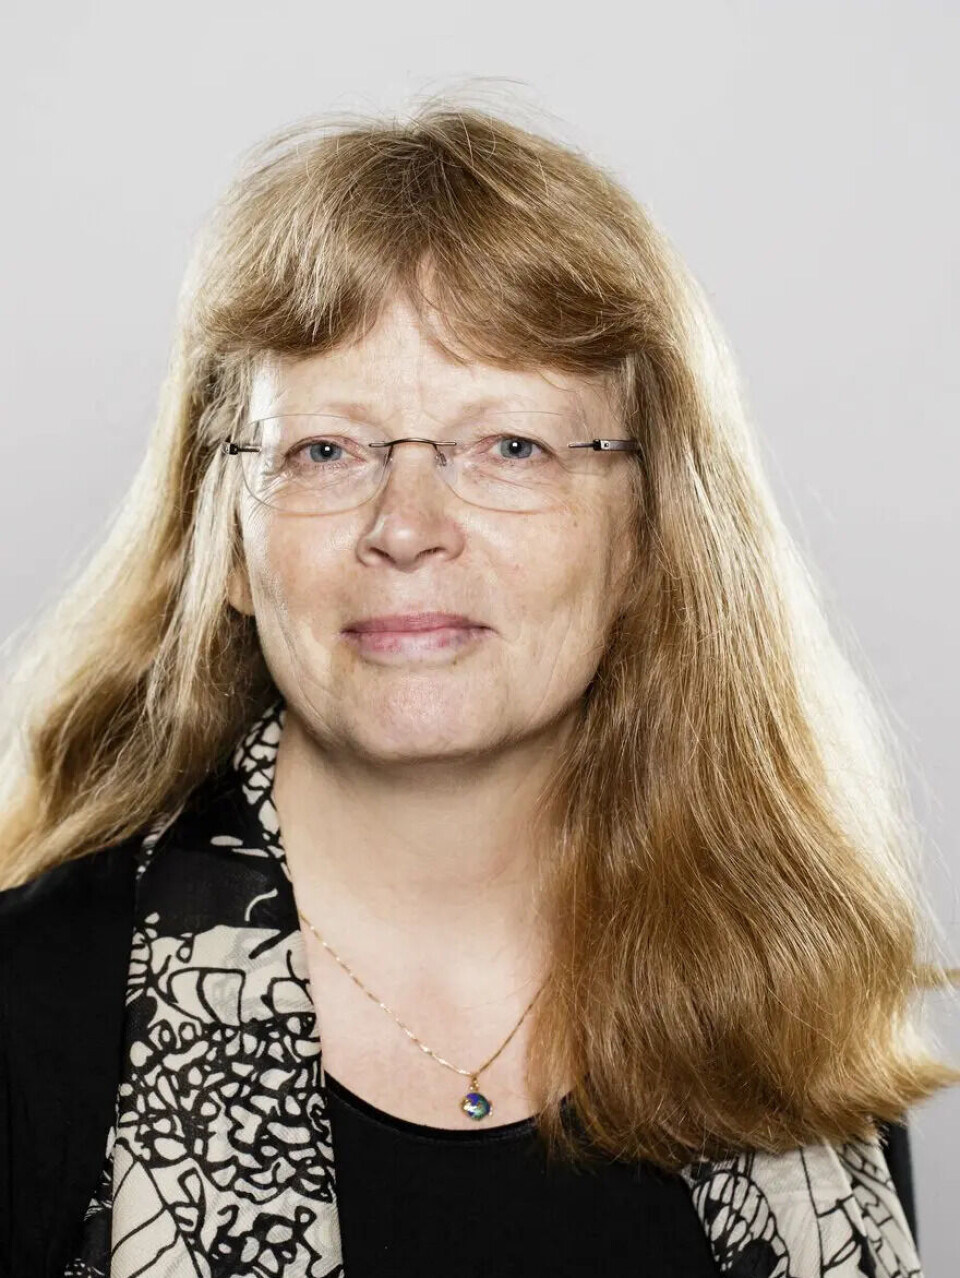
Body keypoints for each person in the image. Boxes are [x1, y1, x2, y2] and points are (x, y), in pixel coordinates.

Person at [0, 100, 954, 1278]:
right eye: (324, 450)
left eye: (511, 447)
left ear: (648, 536)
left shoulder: (785, 1010)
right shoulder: (27, 1018)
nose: (406, 527)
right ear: (228, 546)